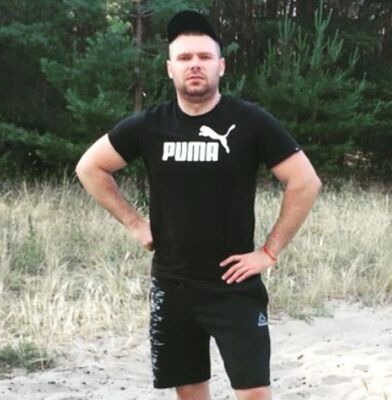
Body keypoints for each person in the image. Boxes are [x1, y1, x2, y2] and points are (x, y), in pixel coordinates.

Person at [75, 10, 322, 400]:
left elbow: (305, 182)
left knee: (254, 393)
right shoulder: (150, 124)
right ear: (170, 68)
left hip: (234, 285)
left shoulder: (250, 121)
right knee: (189, 391)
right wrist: (135, 224)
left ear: (220, 66)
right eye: (185, 57)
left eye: (204, 57)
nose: (195, 65)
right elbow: (90, 167)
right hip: (172, 285)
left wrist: (269, 252)